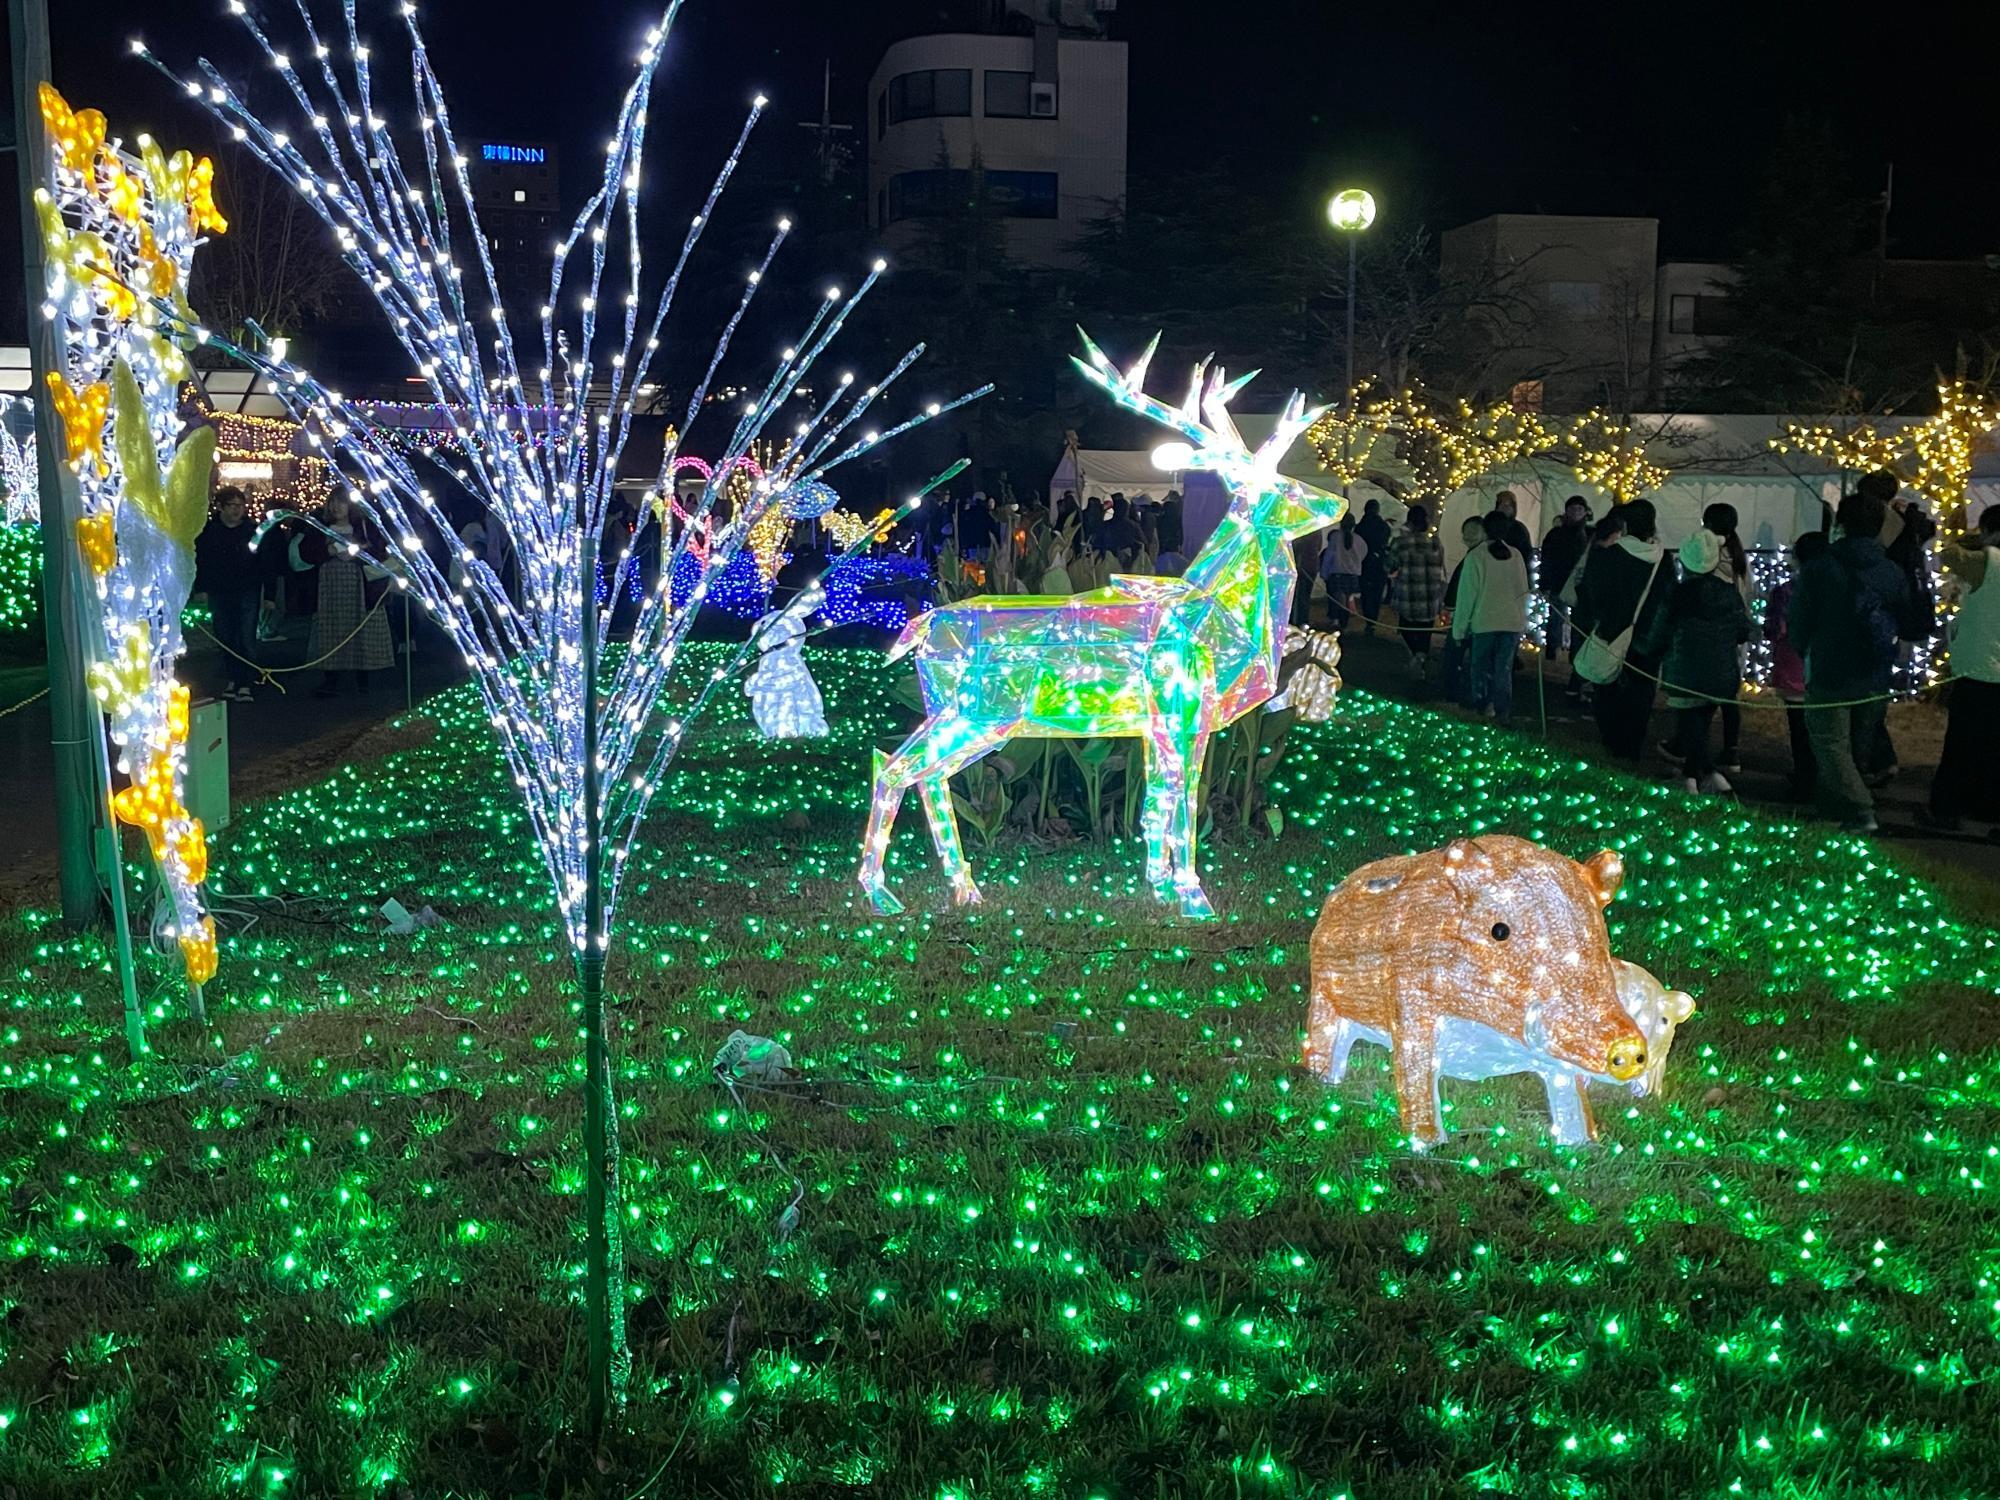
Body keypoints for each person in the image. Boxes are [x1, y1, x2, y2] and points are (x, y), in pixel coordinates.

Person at [1787, 489, 1924, 834]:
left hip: (1829, 664)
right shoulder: (1891, 571)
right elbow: (1903, 614)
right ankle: (1833, 810)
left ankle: (1861, 811)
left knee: (1829, 742)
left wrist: (1803, 649)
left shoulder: (1820, 567)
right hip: (1875, 669)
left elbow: (1800, 620)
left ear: (1841, 523)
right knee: (1856, 745)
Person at [1644, 529, 1750, 795]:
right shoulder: (1729, 594)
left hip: (1685, 670)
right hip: (1722, 671)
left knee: (1691, 723)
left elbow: (1660, 632)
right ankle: (1697, 775)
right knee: (1699, 724)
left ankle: (1704, 776)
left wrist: (1649, 650)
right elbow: (1743, 632)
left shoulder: (1678, 594)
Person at [1572, 498, 1675, 764]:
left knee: (1606, 688)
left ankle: (1611, 744)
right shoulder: (1663, 559)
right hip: (1647, 639)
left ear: (1626, 525)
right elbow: (1667, 598)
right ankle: (1632, 748)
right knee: (1641, 694)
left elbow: (1592, 595)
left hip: (1611, 632)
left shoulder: (1612, 555)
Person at [1919, 506, 2000, 835]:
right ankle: (1989, 809)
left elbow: (1945, 553)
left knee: (1962, 744)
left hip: (1980, 669)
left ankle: (1946, 810)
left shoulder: (1987, 561)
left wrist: (1973, 537)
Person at [291, 492, 396, 697]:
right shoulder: (320, 526)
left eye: (341, 503)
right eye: (332, 503)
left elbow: (381, 551)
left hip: (359, 584)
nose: (336, 507)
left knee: (360, 627)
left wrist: (360, 552)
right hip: (329, 585)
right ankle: (331, 679)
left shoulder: (364, 526)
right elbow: (307, 553)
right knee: (331, 627)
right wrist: (327, 551)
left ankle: (363, 679)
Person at [1452, 510, 1531, 722]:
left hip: (1484, 621)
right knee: (1503, 670)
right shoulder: (1515, 555)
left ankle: (1482, 706)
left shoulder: (1477, 556)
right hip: (1511, 622)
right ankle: (1502, 711)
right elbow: (1523, 590)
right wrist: (1522, 620)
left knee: (1480, 668)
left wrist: (1459, 629)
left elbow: (1468, 595)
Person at [1765, 531, 1826, 801]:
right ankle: (1818, 778)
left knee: (1799, 730)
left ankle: (1804, 780)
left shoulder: (1787, 591)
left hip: (1792, 667)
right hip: (1826, 668)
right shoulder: (1836, 589)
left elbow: (1774, 629)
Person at [194, 486, 266, 701]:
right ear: (220, 507)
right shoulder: (209, 532)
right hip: (220, 590)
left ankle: (245, 681)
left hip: (246, 589)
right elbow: (202, 562)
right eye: (232, 505)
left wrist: (267, 593)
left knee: (245, 636)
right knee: (225, 636)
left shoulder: (252, 531)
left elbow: (263, 563)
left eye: (240, 505)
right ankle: (233, 678)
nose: (237, 510)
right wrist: (202, 588)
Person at [1700, 502, 1752, 773]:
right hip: (1735, 631)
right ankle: (1731, 751)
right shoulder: (1739, 555)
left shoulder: (1711, 554)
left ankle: (1694, 750)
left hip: (1713, 630)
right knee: (1729, 694)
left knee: (1705, 692)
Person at [1540, 496, 1592, 703]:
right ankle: (1552, 650)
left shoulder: (1588, 534)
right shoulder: (1556, 534)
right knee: (1556, 617)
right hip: (1559, 581)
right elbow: (1547, 558)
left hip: (1579, 585)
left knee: (1578, 625)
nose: (1576, 512)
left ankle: (1573, 657)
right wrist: (1545, 582)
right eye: (1573, 508)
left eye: (1580, 508)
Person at [1385, 503, 1446, 678]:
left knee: (1406, 629)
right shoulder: (1435, 542)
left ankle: (1417, 659)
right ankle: (1420, 663)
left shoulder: (1400, 543)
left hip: (1409, 597)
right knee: (1424, 633)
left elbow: (1389, 565)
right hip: (1430, 597)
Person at [1434, 514, 1489, 701]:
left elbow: (1461, 588)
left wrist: (1451, 609)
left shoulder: (1476, 557)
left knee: (1457, 655)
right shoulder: (1476, 556)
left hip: (1469, 616)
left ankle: (1455, 694)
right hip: (1475, 616)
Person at [1319, 511, 1369, 631]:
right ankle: (1344, 624)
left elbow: (1329, 556)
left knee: (1338, 601)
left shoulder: (1335, 538)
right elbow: (1364, 554)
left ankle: (1336, 622)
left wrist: (1324, 572)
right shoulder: (1359, 540)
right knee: (1347, 600)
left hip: (1337, 574)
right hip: (1352, 575)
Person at [1355, 498, 1392, 634]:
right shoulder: (1383, 527)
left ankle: (1368, 619)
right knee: (1377, 592)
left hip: (1364, 563)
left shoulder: (1360, 527)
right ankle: (1373, 620)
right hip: (1379, 562)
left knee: (1366, 593)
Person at [1493, 490, 1536, 561]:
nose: (1504, 508)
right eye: (1501, 504)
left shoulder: (1519, 528)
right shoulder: (1490, 525)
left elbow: (1526, 552)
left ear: (1513, 508)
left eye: (1507, 505)